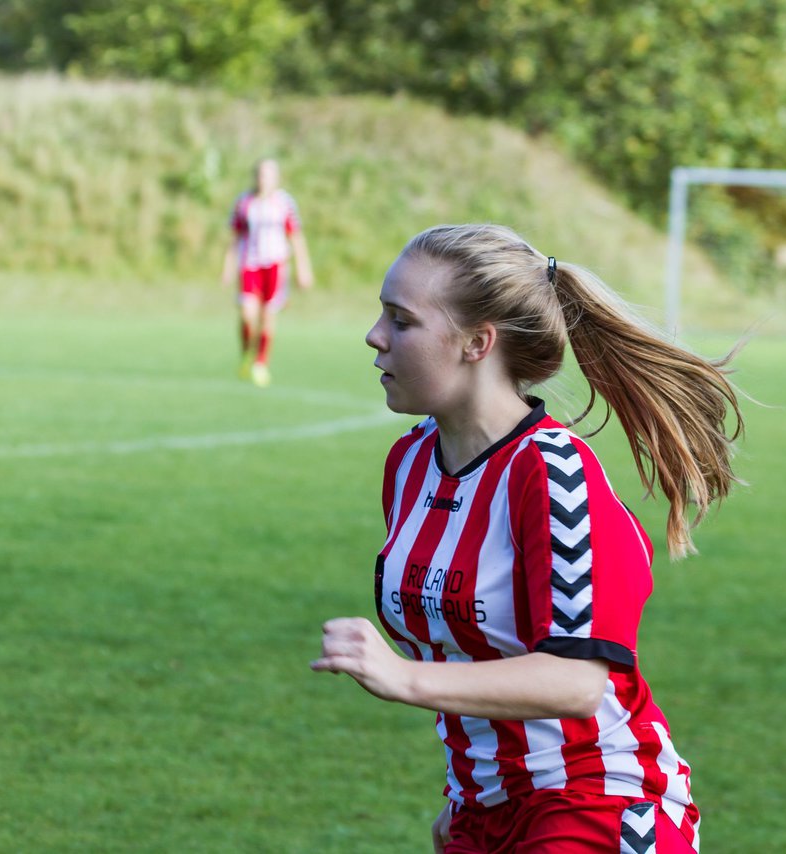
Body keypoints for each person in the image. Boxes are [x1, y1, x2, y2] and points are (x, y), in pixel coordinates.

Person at [310, 224, 744, 853]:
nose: (375, 337)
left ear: (477, 343)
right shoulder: (409, 465)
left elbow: (574, 682)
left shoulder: (552, 476)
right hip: (484, 813)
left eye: (401, 321)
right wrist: (474, 794)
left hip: (597, 804)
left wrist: (402, 676)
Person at [221, 158, 314, 387]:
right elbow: (234, 238)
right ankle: (246, 353)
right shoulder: (244, 202)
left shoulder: (284, 203)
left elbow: (296, 237)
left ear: (276, 178)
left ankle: (260, 363)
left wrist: (303, 268)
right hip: (250, 264)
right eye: (261, 174)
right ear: (255, 176)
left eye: (269, 175)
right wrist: (227, 267)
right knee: (247, 314)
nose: (264, 179)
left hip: (275, 266)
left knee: (267, 316)